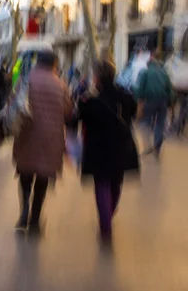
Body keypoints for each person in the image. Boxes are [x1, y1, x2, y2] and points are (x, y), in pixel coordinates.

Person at [78, 61, 139, 240]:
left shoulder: (90, 100)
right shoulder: (126, 96)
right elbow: (134, 114)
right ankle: (109, 213)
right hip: (121, 146)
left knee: (102, 182)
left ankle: (105, 223)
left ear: (97, 78)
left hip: (98, 148)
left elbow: (79, 118)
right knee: (116, 181)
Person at [13, 51, 72, 233]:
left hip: (27, 134)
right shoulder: (60, 84)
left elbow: (15, 102)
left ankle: (24, 212)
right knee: (43, 177)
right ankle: (36, 220)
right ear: (54, 64)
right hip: (51, 137)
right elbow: (68, 110)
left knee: (25, 173)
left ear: (37, 62)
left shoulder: (25, 79)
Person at [135, 52, 173, 159]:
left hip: (149, 99)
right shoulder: (164, 73)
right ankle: (157, 145)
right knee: (160, 123)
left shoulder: (145, 72)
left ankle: (147, 146)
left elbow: (139, 88)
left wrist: (139, 101)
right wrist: (170, 103)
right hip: (163, 101)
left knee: (145, 122)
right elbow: (170, 89)